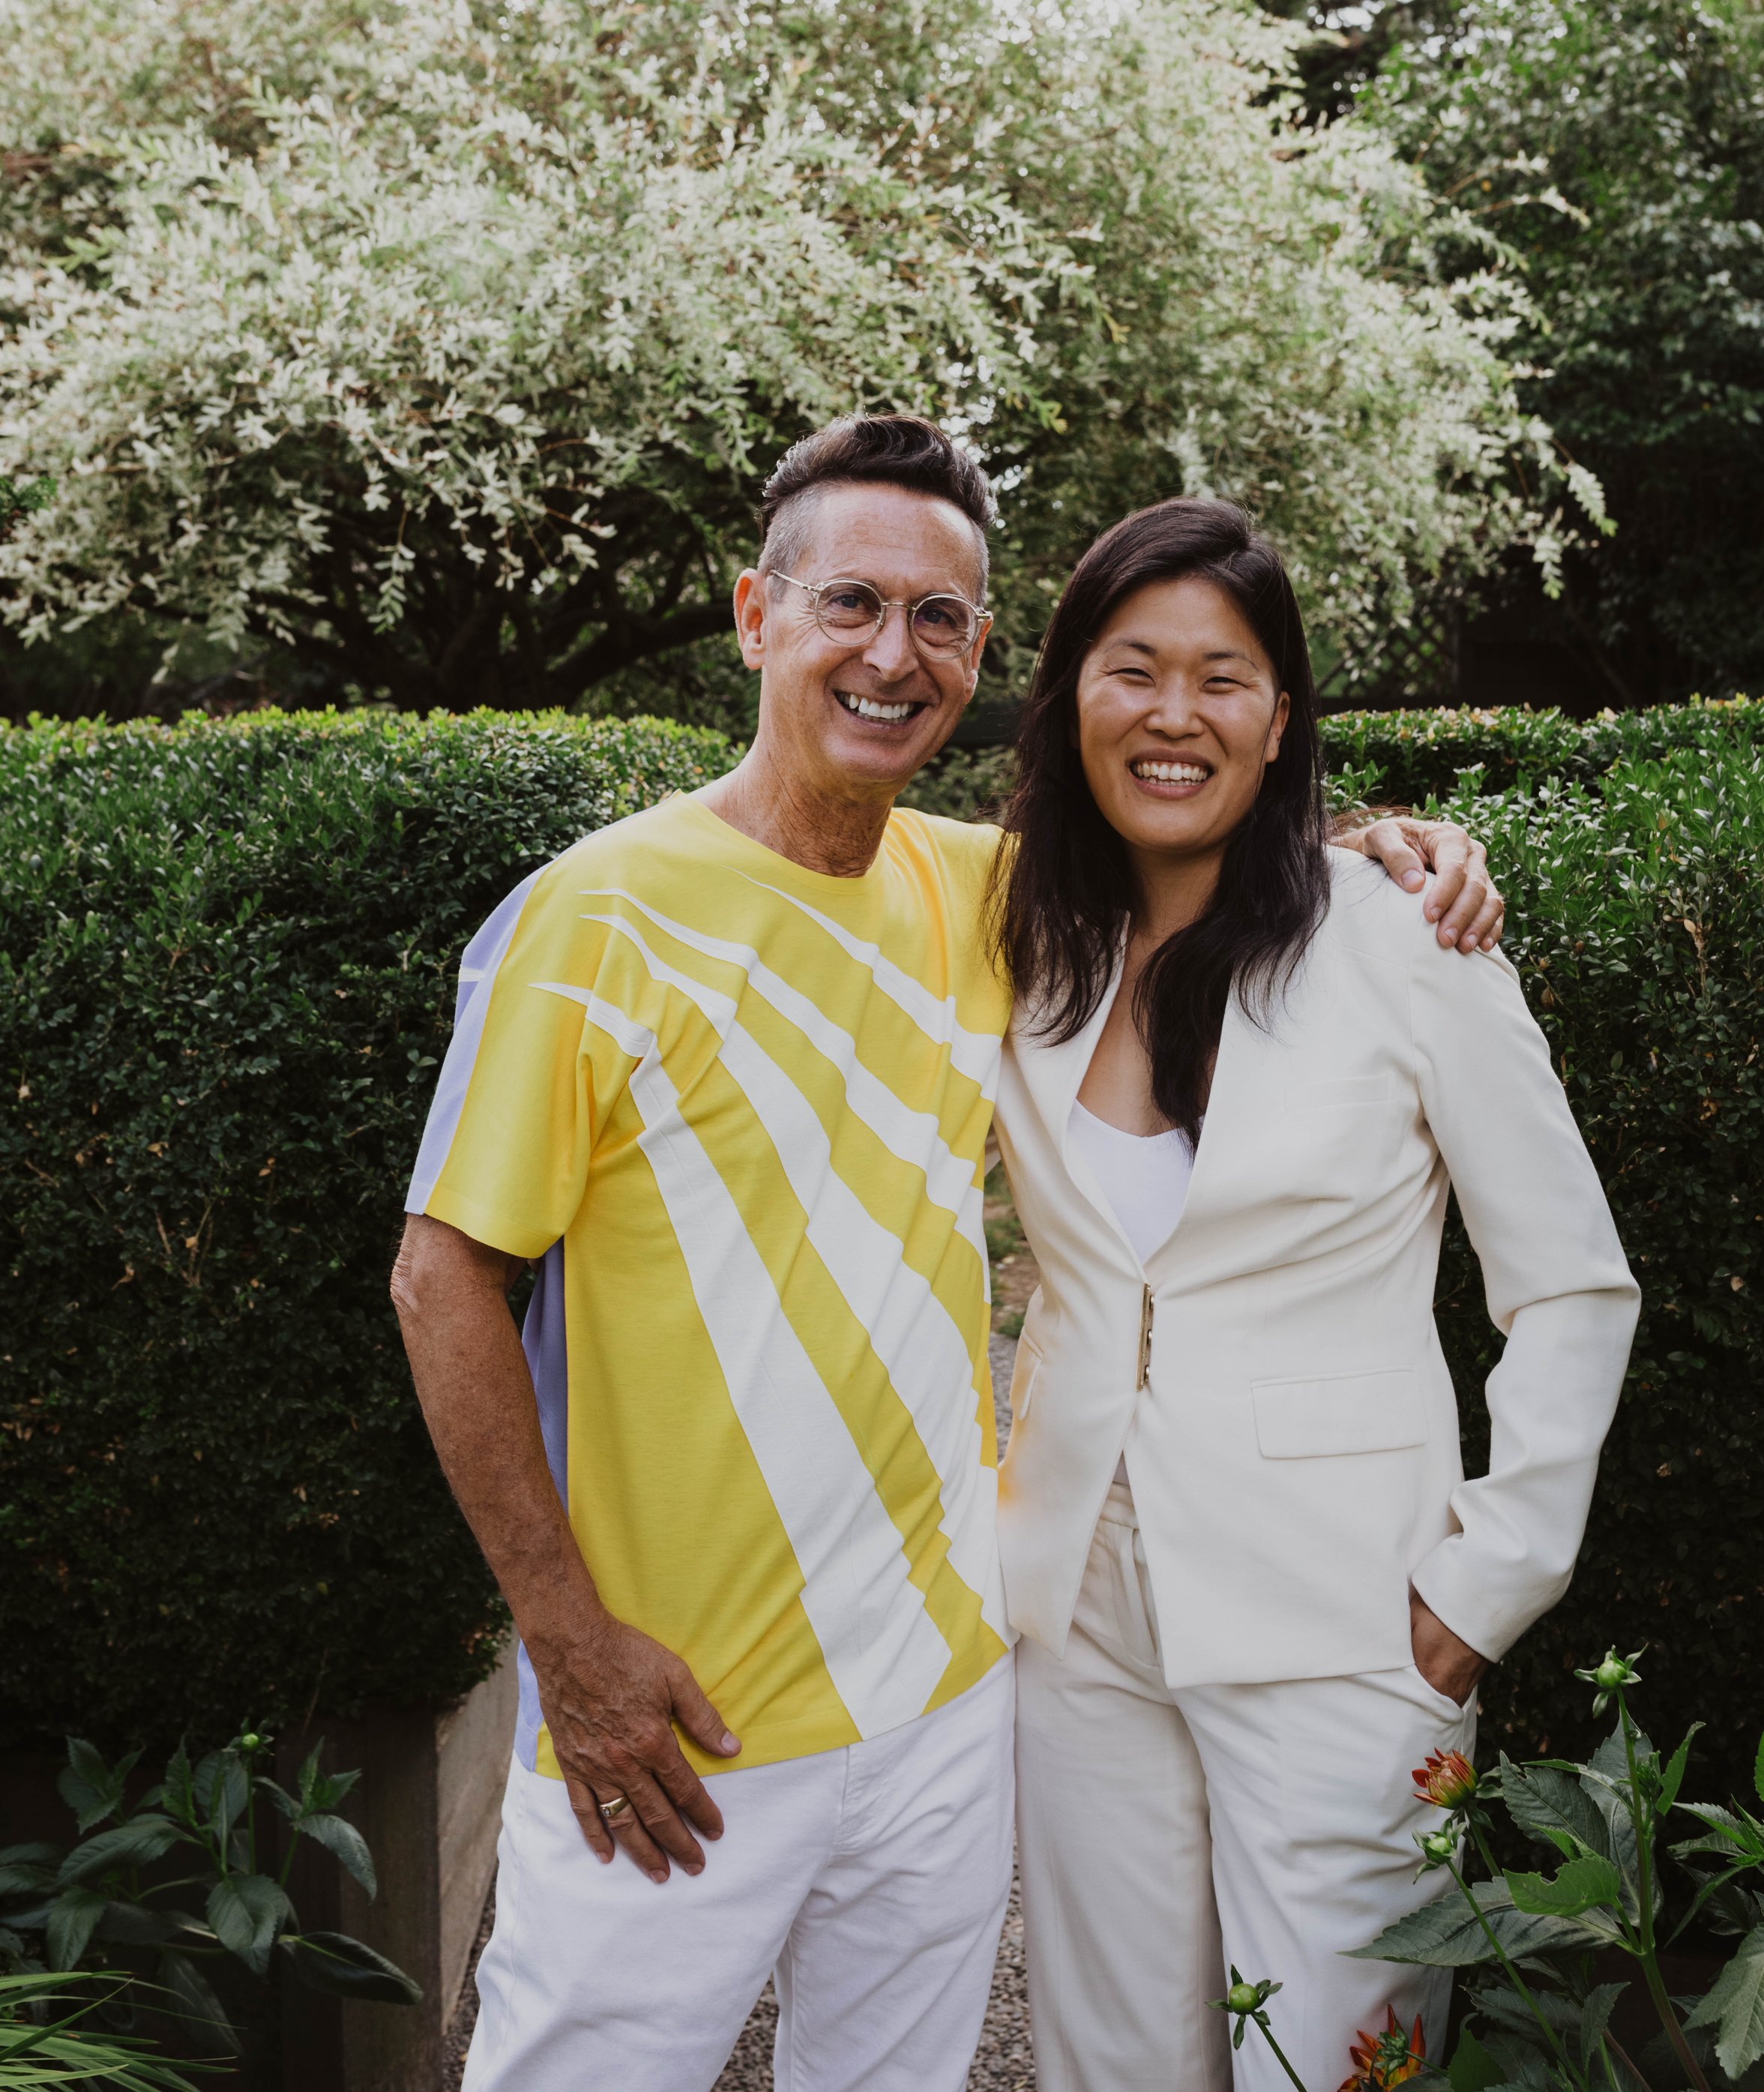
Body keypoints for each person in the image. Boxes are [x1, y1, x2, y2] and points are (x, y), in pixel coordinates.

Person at [391, 418, 1501, 2092]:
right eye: (850, 603)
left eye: (939, 622)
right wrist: (568, 1643)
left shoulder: (981, 894)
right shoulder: (593, 917)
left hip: (944, 1694)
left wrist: (1388, 845)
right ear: (754, 617)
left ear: (980, 655)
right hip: (679, 1714)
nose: (890, 655)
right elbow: (439, 1279)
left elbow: (1197, 840)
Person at [988, 497, 1641, 2092]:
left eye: (1221, 677)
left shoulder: (1404, 937)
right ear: (1070, 694)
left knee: (1338, 2068)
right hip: (1075, 1605)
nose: (1171, 714)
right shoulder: (1010, 935)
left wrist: (1478, 1598)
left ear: (1280, 719)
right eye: (1130, 668)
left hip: (1353, 1620)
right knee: (1108, 2064)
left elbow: (1568, 1283)